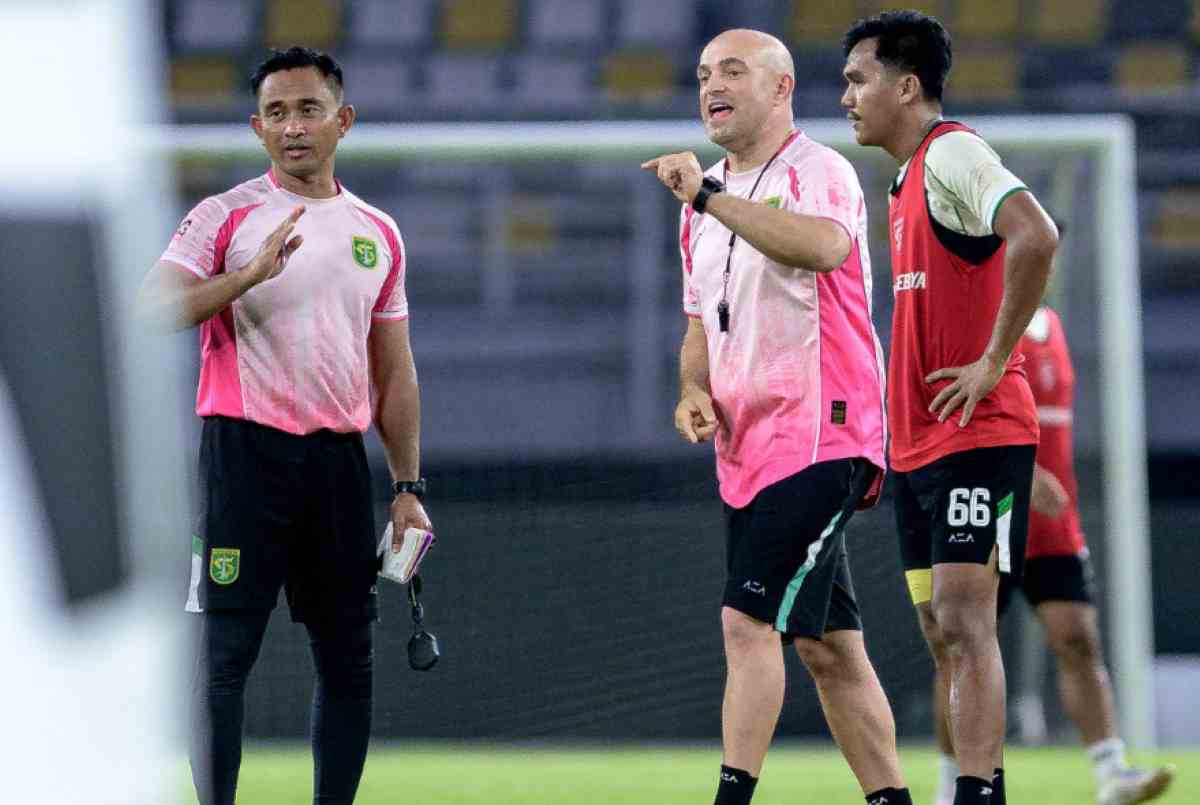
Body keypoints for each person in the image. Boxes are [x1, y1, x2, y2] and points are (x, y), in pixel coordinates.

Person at [137, 47, 432, 805]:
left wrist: (406, 485)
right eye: (276, 113)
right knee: (225, 654)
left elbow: (394, 373)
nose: (293, 126)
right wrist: (244, 277)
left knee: (348, 657)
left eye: (308, 109)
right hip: (243, 456)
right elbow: (149, 310)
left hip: (336, 463)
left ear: (344, 120)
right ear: (256, 128)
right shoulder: (222, 216)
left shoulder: (379, 233)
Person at [643, 28, 911, 805]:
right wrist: (693, 390)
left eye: (732, 71)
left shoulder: (816, 170)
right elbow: (699, 325)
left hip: (825, 433)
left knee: (744, 620)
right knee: (827, 645)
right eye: (701, 74)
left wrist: (706, 196)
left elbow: (825, 248)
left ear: (782, 88)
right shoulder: (704, 205)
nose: (710, 86)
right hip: (749, 447)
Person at [841, 11, 1060, 805]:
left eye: (859, 79)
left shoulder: (953, 152)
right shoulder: (902, 180)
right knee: (943, 631)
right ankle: (979, 787)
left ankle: (973, 794)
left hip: (977, 432)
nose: (847, 97)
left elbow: (1035, 234)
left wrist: (995, 361)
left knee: (967, 623)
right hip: (920, 445)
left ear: (907, 86)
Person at [930, 304, 1175, 805]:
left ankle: (1112, 773)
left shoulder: (1053, 326)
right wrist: (1022, 474)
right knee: (963, 650)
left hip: (1054, 524)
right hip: (992, 509)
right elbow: (951, 414)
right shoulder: (980, 323)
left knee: (1078, 638)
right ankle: (950, 783)